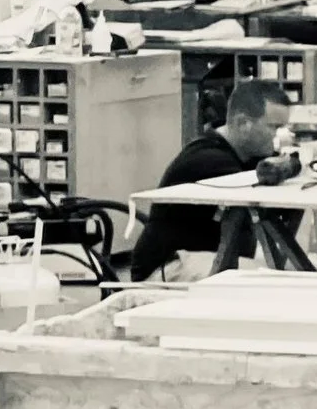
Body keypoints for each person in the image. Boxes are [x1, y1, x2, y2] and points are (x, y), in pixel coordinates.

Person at [122, 76, 290, 281]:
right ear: (242, 123)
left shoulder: (239, 155)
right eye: (274, 127)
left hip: (201, 258)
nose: (282, 137)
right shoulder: (210, 161)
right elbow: (274, 203)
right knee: (280, 279)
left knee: (302, 270)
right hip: (169, 266)